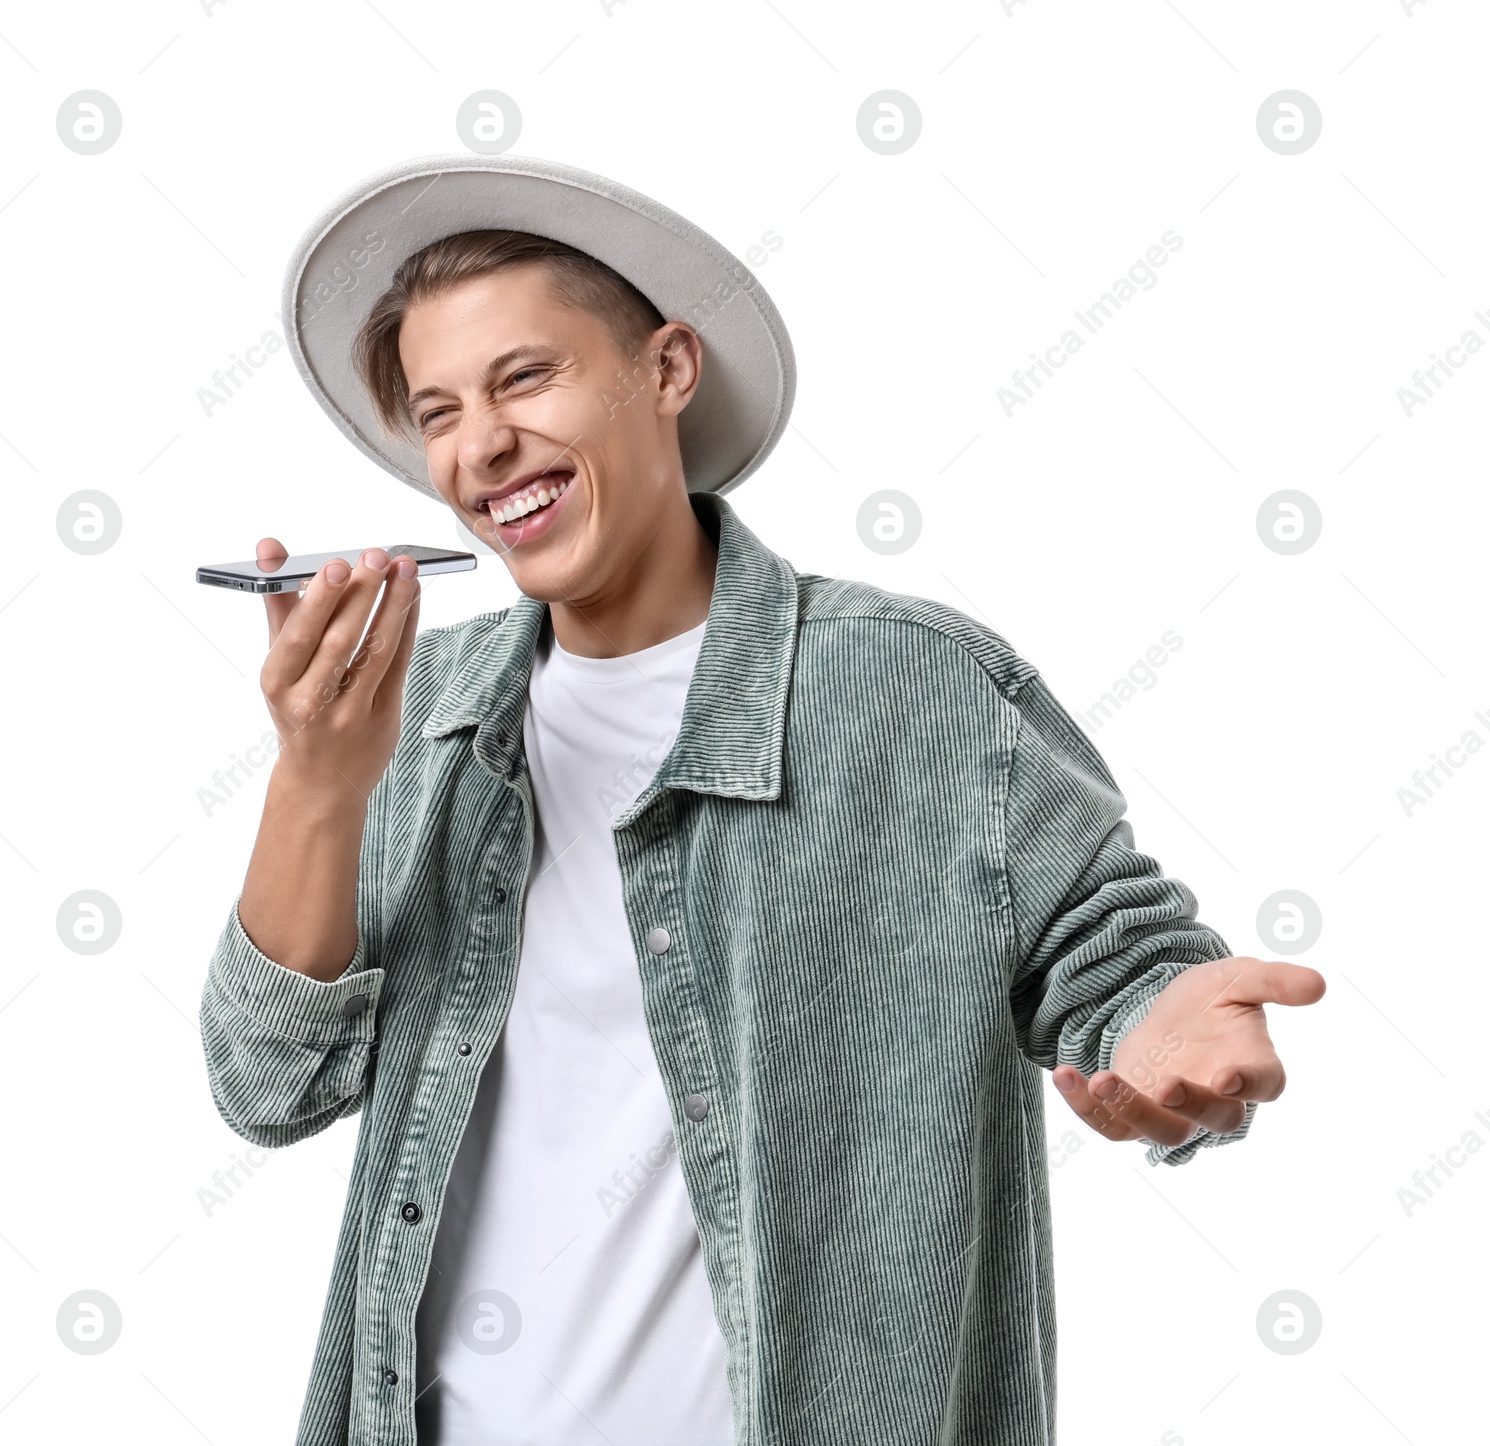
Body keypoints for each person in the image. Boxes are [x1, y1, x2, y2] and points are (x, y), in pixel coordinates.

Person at [199, 157, 1325, 1446]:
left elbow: (1110, 953)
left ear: (667, 369)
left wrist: (1164, 1021)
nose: (481, 446)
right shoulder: (423, 716)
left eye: (525, 378)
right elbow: (266, 1083)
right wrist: (317, 777)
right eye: (438, 410)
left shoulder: (910, 683)